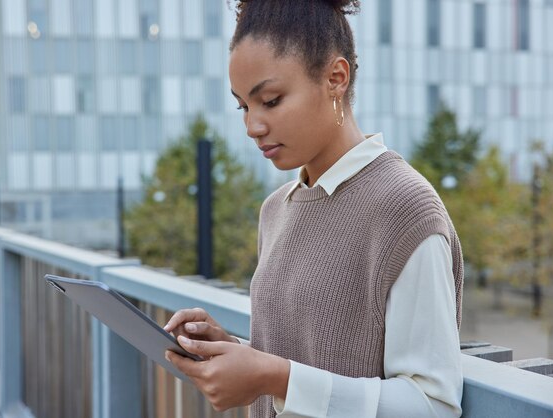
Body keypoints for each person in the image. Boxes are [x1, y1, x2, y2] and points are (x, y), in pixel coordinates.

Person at [164, 1, 464, 417]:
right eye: (243, 107)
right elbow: (309, 362)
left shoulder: (405, 208)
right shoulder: (276, 210)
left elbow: (432, 405)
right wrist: (236, 353)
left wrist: (273, 376)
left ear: (335, 78)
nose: (252, 126)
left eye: (270, 100)